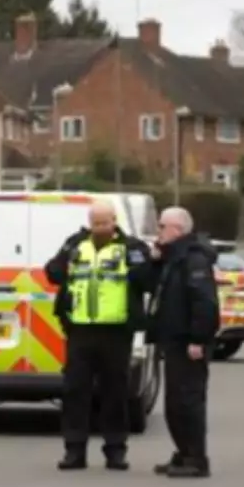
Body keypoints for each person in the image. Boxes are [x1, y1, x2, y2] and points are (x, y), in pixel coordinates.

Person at [45, 200, 151, 471]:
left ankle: (115, 451)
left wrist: (140, 266)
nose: (100, 228)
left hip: (116, 331)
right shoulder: (75, 244)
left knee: (115, 393)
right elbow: (53, 272)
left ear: (114, 221)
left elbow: (149, 280)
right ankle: (74, 450)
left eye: (105, 223)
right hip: (80, 329)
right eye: (96, 223)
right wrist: (64, 267)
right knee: (75, 392)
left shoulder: (131, 247)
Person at [147, 206, 219, 478]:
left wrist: (198, 338)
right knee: (174, 403)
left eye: (162, 226)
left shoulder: (193, 259)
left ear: (177, 230)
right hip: (173, 340)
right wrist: (156, 261)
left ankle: (196, 458)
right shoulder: (173, 257)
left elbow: (204, 302)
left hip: (188, 342)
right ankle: (183, 451)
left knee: (188, 401)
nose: (158, 232)